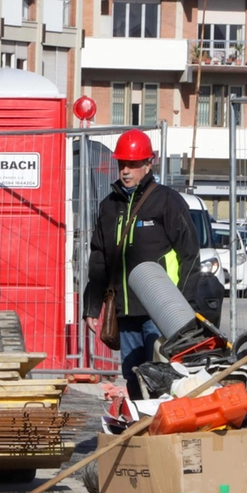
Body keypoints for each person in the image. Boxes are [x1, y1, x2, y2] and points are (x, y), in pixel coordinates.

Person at [83, 129, 200, 400]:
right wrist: (92, 306)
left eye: (133, 164)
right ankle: (139, 432)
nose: (126, 171)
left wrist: (183, 307)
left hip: (161, 312)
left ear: (149, 164)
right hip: (125, 312)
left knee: (164, 377)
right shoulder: (108, 206)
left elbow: (190, 255)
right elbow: (99, 257)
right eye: (122, 164)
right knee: (134, 377)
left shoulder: (167, 201)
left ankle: (163, 434)